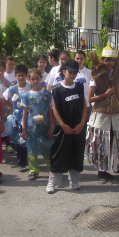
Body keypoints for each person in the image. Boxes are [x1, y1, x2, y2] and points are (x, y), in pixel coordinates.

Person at [86, 43, 119, 180]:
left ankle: (118, 166)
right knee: (102, 142)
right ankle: (102, 169)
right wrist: (106, 94)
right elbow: (90, 98)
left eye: (112, 60)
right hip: (101, 114)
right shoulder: (95, 75)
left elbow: (117, 94)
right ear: (102, 59)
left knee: (117, 139)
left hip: (115, 113)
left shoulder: (116, 75)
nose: (110, 62)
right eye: (107, 60)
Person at [48, 59, 87, 193]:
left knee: (76, 154)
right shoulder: (57, 89)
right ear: (64, 71)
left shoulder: (79, 87)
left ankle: (74, 180)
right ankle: (53, 182)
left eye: (75, 72)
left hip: (78, 128)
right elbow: (55, 109)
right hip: (62, 128)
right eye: (70, 72)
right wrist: (63, 125)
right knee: (59, 154)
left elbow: (84, 107)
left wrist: (82, 123)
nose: (73, 75)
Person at [21, 68, 53, 180]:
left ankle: (53, 170)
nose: (35, 81)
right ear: (29, 80)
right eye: (32, 79)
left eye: (37, 78)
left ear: (41, 78)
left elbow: (50, 111)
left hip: (45, 127)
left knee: (47, 149)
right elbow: (24, 112)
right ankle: (33, 171)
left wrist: (51, 127)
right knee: (31, 149)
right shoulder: (26, 95)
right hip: (31, 127)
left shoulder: (47, 94)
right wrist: (23, 128)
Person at [3, 64, 31, 171]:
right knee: (19, 140)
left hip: (29, 115)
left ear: (26, 76)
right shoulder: (12, 89)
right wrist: (11, 107)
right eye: (18, 75)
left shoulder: (30, 86)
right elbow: (3, 98)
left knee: (27, 139)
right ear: (15, 76)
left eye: (22, 75)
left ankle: (28, 159)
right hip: (17, 117)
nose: (20, 78)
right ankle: (21, 162)